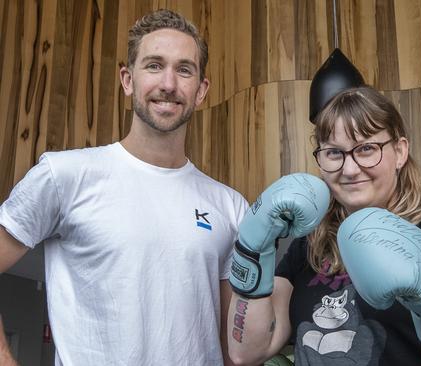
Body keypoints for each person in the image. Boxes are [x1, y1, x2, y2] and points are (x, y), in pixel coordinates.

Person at [0, 9, 247, 366]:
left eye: (184, 69)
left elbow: (233, 348)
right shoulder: (65, 175)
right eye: (153, 65)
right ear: (127, 79)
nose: (168, 83)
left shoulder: (229, 206)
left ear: (201, 90)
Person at [225, 49, 421, 366]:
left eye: (367, 149)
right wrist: (253, 251)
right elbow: (246, 352)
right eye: (333, 153)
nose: (350, 168)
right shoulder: (310, 244)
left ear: (400, 151)